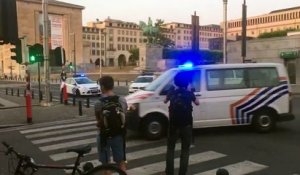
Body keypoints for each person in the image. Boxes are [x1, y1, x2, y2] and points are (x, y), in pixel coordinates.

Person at [164, 72, 199, 175]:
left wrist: (170, 92)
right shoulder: (189, 93)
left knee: (170, 149)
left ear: (175, 82)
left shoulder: (172, 93)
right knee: (185, 150)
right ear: (187, 82)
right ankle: (182, 172)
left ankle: (169, 172)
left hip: (173, 125)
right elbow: (197, 103)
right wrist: (190, 91)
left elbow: (164, 101)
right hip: (186, 125)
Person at [95, 75, 127, 172]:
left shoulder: (98, 103)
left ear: (103, 87)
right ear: (112, 86)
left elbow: (98, 122)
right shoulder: (121, 100)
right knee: (121, 162)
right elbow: (123, 115)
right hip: (118, 134)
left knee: (106, 166)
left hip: (104, 136)